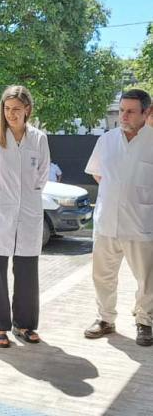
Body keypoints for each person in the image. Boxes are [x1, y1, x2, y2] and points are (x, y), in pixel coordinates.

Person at [0, 85, 50, 348]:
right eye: (7, 109)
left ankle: (24, 324)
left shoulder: (38, 139)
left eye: (16, 109)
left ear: (27, 109)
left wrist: (25, 196)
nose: (11, 114)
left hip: (28, 214)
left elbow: (42, 175)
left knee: (27, 272)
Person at [83, 88, 153, 347]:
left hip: (141, 223)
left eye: (131, 111)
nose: (124, 115)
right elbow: (97, 174)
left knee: (147, 279)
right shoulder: (106, 140)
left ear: (146, 112)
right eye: (122, 110)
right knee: (102, 276)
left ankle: (145, 321)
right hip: (106, 223)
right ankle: (105, 319)